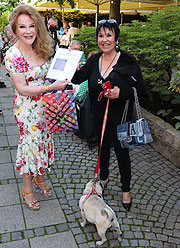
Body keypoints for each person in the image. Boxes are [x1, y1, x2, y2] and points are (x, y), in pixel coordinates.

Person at [71, 19, 145, 211]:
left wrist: (121, 92)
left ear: (116, 37)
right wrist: (70, 64)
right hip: (99, 115)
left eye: (109, 35)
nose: (104, 40)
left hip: (120, 117)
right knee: (102, 148)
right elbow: (77, 78)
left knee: (122, 153)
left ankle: (126, 190)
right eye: (101, 35)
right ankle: (103, 179)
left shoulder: (127, 60)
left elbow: (140, 87)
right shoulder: (94, 59)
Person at [4, 4, 68, 211]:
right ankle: (26, 188)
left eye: (32, 26)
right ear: (15, 30)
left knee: (42, 142)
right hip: (27, 109)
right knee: (30, 146)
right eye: (22, 27)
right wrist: (51, 86)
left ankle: (40, 179)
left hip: (45, 106)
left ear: (38, 27)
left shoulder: (40, 47)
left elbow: (46, 74)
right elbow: (22, 88)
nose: (28, 31)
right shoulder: (13, 55)